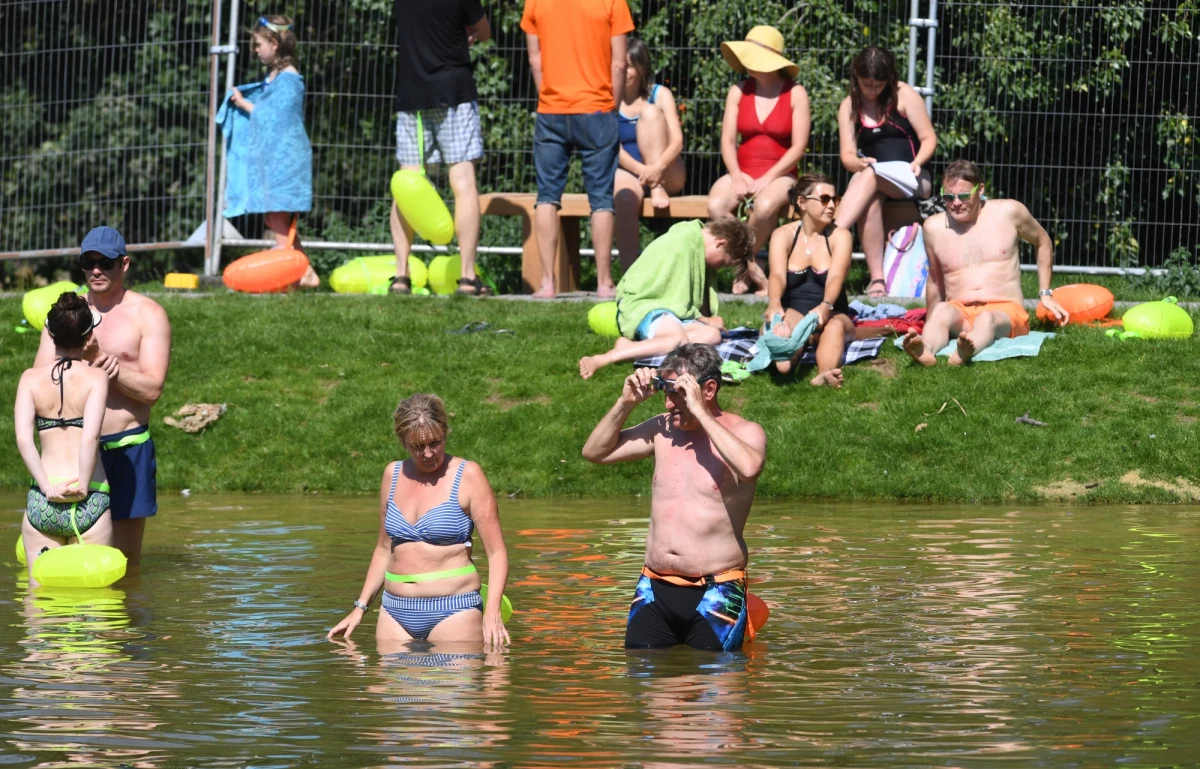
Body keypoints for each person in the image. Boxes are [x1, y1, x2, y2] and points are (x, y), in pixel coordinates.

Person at [582, 344, 767, 652]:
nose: (669, 404)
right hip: (653, 588)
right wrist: (625, 403)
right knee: (641, 674)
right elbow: (594, 452)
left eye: (678, 393)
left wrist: (700, 413)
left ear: (709, 389)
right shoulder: (663, 429)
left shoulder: (746, 432)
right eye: (665, 392)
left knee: (716, 680)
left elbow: (750, 468)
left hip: (717, 590)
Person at [328, 393, 510, 651]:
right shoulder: (392, 475)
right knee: (387, 680)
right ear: (403, 441)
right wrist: (360, 607)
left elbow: (497, 553)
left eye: (435, 443)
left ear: (445, 433)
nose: (428, 453)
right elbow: (383, 549)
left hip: (454, 609)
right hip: (394, 611)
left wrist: (492, 612)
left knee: (461, 679)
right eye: (417, 446)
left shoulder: (468, 475)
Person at [34, 227, 171, 565]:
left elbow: (152, 390)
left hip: (126, 449)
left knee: (124, 564)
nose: (96, 270)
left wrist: (109, 367)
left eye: (105, 263)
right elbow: (39, 383)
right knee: (59, 562)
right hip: (71, 451)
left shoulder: (148, 314)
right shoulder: (64, 315)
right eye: (88, 262)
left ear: (124, 264)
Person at [902, 160, 1069, 366]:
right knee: (941, 312)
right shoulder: (933, 227)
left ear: (980, 189)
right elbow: (935, 279)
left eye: (964, 196)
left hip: (1005, 311)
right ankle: (926, 350)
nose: (956, 203)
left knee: (986, 319)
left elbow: (1043, 242)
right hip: (960, 310)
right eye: (948, 197)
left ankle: (966, 349)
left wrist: (1046, 294)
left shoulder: (1008, 212)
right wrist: (932, 321)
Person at [522, 0, 635, 298]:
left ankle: (547, 283)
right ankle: (604, 283)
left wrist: (548, 98)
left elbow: (535, 59)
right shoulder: (613, 2)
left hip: (551, 110)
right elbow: (619, 63)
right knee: (601, 199)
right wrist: (612, 106)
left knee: (547, 195)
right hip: (597, 109)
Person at [389, 0, 492, 296]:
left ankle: (401, 276)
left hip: (412, 94)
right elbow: (484, 32)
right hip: (454, 92)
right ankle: (467, 277)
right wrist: (466, 34)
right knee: (463, 183)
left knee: (407, 183)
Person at [578, 218, 755, 379]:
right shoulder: (681, 244)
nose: (719, 268)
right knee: (679, 341)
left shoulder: (694, 243)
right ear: (720, 244)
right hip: (647, 304)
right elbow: (674, 298)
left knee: (712, 335)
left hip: (669, 310)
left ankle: (633, 347)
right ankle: (606, 358)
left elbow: (676, 298)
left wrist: (706, 323)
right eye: (723, 262)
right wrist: (705, 319)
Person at [707, 26, 811, 295]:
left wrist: (767, 179)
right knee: (716, 205)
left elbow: (798, 147)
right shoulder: (738, 91)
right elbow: (727, 141)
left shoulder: (795, 93)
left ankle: (744, 267)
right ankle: (751, 267)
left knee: (764, 207)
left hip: (782, 174)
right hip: (742, 170)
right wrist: (737, 176)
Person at [16, 293, 111, 574]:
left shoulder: (29, 378)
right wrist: (81, 486)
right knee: (97, 594)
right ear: (89, 336)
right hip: (89, 497)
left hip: (43, 499)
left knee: (38, 591)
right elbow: (90, 438)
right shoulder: (96, 378)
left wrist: (47, 488)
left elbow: (23, 439)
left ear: (50, 334)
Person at [833, 46, 937, 299]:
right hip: (874, 176)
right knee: (869, 196)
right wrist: (858, 164)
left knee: (869, 176)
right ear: (856, 77)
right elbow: (847, 155)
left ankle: (831, 234)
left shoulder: (904, 95)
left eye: (878, 85)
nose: (872, 90)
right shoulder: (849, 106)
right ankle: (878, 280)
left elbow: (929, 138)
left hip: (913, 177)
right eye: (866, 84)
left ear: (888, 80)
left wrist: (918, 162)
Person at [227, 15, 318, 289]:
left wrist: (243, 104)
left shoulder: (289, 79)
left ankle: (291, 275)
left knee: (278, 215)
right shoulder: (276, 77)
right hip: (275, 157)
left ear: (274, 44)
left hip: (285, 159)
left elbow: (275, 118)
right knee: (276, 216)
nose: (256, 50)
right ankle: (306, 273)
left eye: (259, 44)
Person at [763, 173, 856, 387]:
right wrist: (774, 303)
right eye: (824, 199)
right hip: (794, 310)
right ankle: (787, 351)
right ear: (802, 202)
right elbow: (777, 275)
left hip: (832, 312)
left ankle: (825, 373)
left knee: (834, 327)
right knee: (784, 359)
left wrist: (825, 305)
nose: (831, 205)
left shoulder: (840, 236)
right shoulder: (783, 234)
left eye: (835, 199)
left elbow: (836, 277)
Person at [614, 38, 686, 268]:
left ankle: (656, 186)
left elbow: (677, 141)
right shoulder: (608, 97)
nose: (623, 71)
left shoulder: (660, 94)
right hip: (630, 172)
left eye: (629, 66)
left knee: (650, 113)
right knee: (624, 199)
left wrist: (657, 170)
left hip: (667, 172)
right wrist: (645, 172)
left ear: (642, 67)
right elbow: (611, 147)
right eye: (620, 64)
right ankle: (629, 274)